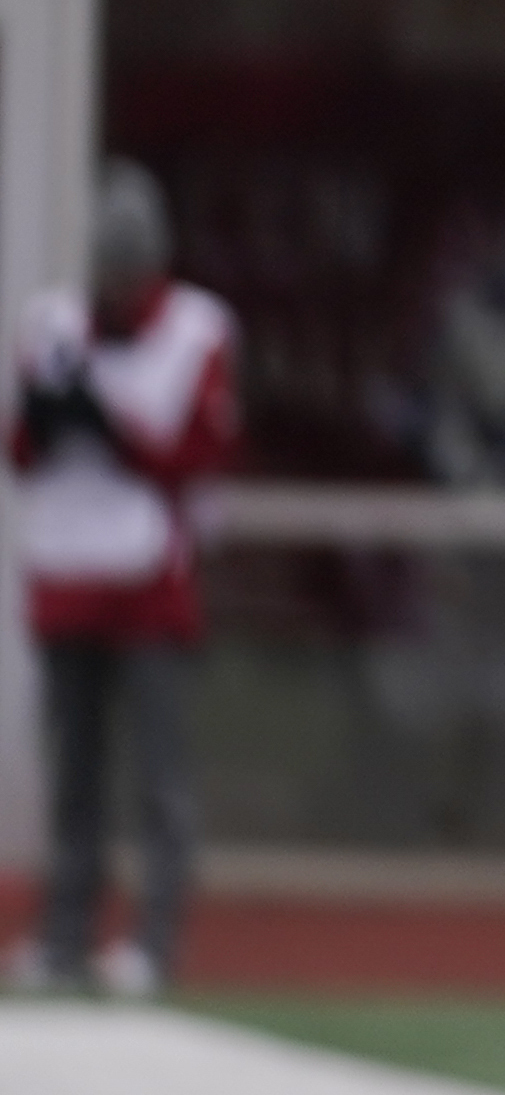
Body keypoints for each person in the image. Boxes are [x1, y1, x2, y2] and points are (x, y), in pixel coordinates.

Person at [7, 165, 238, 1000]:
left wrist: (115, 427)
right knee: (74, 773)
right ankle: (65, 933)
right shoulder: (54, 324)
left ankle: (154, 939)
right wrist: (45, 413)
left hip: (149, 583)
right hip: (66, 571)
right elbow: (22, 453)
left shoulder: (197, 331)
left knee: (159, 775)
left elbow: (200, 456)